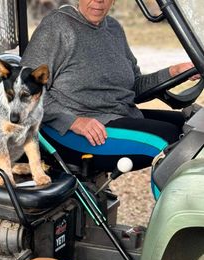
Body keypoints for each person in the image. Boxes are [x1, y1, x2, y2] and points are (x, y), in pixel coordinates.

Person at [21, 0, 200, 173]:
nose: (99, 1)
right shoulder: (57, 27)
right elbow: (25, 89)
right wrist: (73, 121)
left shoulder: (113, 28)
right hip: (69, 130)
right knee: (168, 143)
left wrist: (174, 72)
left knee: (194, 127)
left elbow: (133, 87)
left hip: (117, 115)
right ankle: (178, 202)